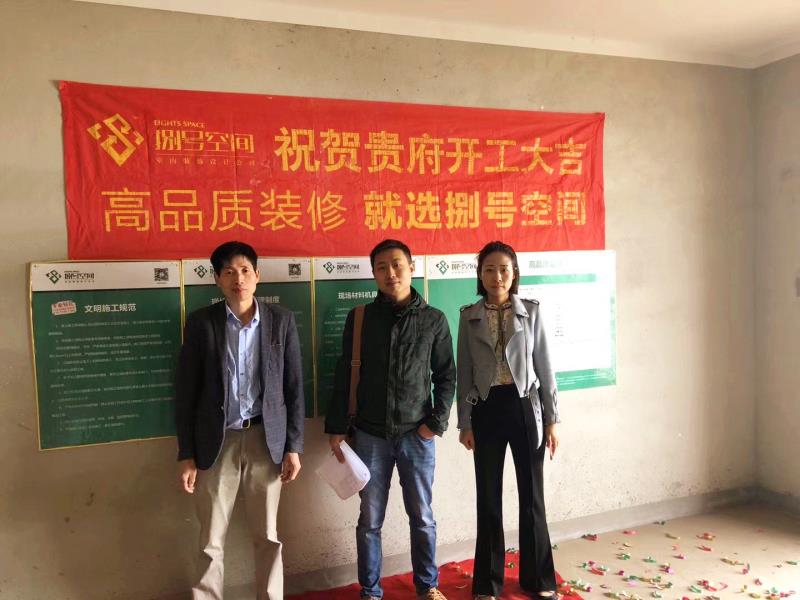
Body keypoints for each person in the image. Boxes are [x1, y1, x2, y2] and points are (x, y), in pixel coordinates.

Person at [325, 239, 456, 600]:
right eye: (381, 267)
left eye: (397, 264)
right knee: (369, 520)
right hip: (369, 435)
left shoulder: (433, 319)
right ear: (374, 274)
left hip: (417, 434)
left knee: (422, 516)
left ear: (411, 267)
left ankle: (427, 586)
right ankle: (370, 591)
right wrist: (337, 427)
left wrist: (435, 425)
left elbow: (446, 376)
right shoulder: (360, 318)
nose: (390, 273)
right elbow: (344, 373)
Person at [175, 241, 305, 600]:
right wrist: (186, 453)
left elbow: (294, 387)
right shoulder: (202, 323)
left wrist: (294, 447)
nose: (238, 279)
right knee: (210, 539)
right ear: (217, 279)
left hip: (267, 439)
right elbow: (186, 392)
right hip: (217, 443)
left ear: (257, 276)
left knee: (267, 536)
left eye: (245, 270)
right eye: (229, 272)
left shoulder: (281, 320)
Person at [456, 241, 561, 600]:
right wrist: (465, 423)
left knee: (533, 496)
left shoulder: (531, 311)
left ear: (514, 274)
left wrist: (552, 420)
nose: (497, 276)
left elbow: (545, 368)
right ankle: (488, 583)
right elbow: (465, 373)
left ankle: (539, 579)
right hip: (486, 409)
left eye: (504, 269)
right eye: (489, 269)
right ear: (480, 274)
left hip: (525, 407)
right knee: (488, 497)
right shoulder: (469, 316)